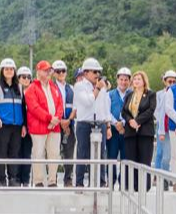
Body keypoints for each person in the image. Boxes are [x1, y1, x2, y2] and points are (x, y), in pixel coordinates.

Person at [25, 60, 64, 187]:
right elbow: (34, 108)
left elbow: (59, 104)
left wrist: (57, 118)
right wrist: (49, 118)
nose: (48, 73)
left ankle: (53, 180)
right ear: (39, 71)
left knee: (54, 153)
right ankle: (38, 180)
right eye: (45, 70)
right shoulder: (32, 88)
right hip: (39, 126)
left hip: (54, 126)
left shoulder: (53, 86)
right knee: (38, 153)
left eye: (49, 70)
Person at [73, 59, 111, 187]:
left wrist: (108, 124)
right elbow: (88, 101)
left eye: (99, 72)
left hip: (100, 123)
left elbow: (105, 106)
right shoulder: (79, 86)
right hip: (84, 123)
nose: (97, 75)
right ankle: (79, 183)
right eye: (95, 72)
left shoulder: (101, 87)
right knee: (82, 153)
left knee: (100, 153)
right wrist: (98, 89)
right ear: (85, 73)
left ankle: (100, 182)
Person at [0, 57, 25, 187]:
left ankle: (13, 178)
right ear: (2, 71)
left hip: (17, 126)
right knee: (2, 153)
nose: (9, 71)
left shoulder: (20, 87)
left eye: (11, 69)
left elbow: (23, 108)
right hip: (2, 126)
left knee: (14, 153)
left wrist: (24, 125)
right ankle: (2, 179)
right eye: (6, 69)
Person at [121, 71, 157, 191]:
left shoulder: (150, 94)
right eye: (135, 79)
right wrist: (130, 120)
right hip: (130, 131)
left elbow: (150, 110)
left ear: (144, 81)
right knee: (131, 159)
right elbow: (124, 111)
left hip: (145, 131)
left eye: (139, 79)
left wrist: (138, 121)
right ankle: (131, 184)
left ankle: (143, 186)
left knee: (144, 159)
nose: (136, 81)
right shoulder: (129, 95)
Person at [53, 60, 76, 187]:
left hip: (69, 125)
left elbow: (75, 106)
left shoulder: (71, 88)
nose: (61, 73)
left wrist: (68, 121)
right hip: (55, 125)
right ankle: (53, 179)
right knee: (54, 152)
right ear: (54, 73)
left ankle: (68, 179)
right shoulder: (51, 87)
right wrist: (60, 121)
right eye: (58, 71)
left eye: (63, 71)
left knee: (69, 152)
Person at [107, 67, 132, 187]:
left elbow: (134, 111)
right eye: (121, 79)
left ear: (129, 81)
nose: (123, 82)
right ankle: (111, 181)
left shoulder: (133, 94)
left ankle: (124, 182)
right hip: (113, 129)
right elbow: (106, 111)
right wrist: (116, 123)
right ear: (117, 80)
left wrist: (123, 122)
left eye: (126, 80)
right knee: (111, 156)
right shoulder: (110, 94)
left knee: (126, 157)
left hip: (127, 130)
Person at [154, 71, 176, 185]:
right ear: (165, 81)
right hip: (162, 125)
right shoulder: (159, 94)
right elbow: (156, 110)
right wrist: (161, 123)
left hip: (173, 126)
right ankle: (158, 176)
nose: (172, 83)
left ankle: (165, 177)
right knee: (159, 152)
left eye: (174, 81)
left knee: (169, 154)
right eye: (169, 81)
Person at [16, 66, 34, 186]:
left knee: (27, 154)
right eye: (23, 77)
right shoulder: (15, 93)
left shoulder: (34, 92)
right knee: (16, 153)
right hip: (17, 127)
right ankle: (16, 179)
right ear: (18, 78)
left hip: (31, 128)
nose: (26, 79)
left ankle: (26, 180)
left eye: (28, 77)